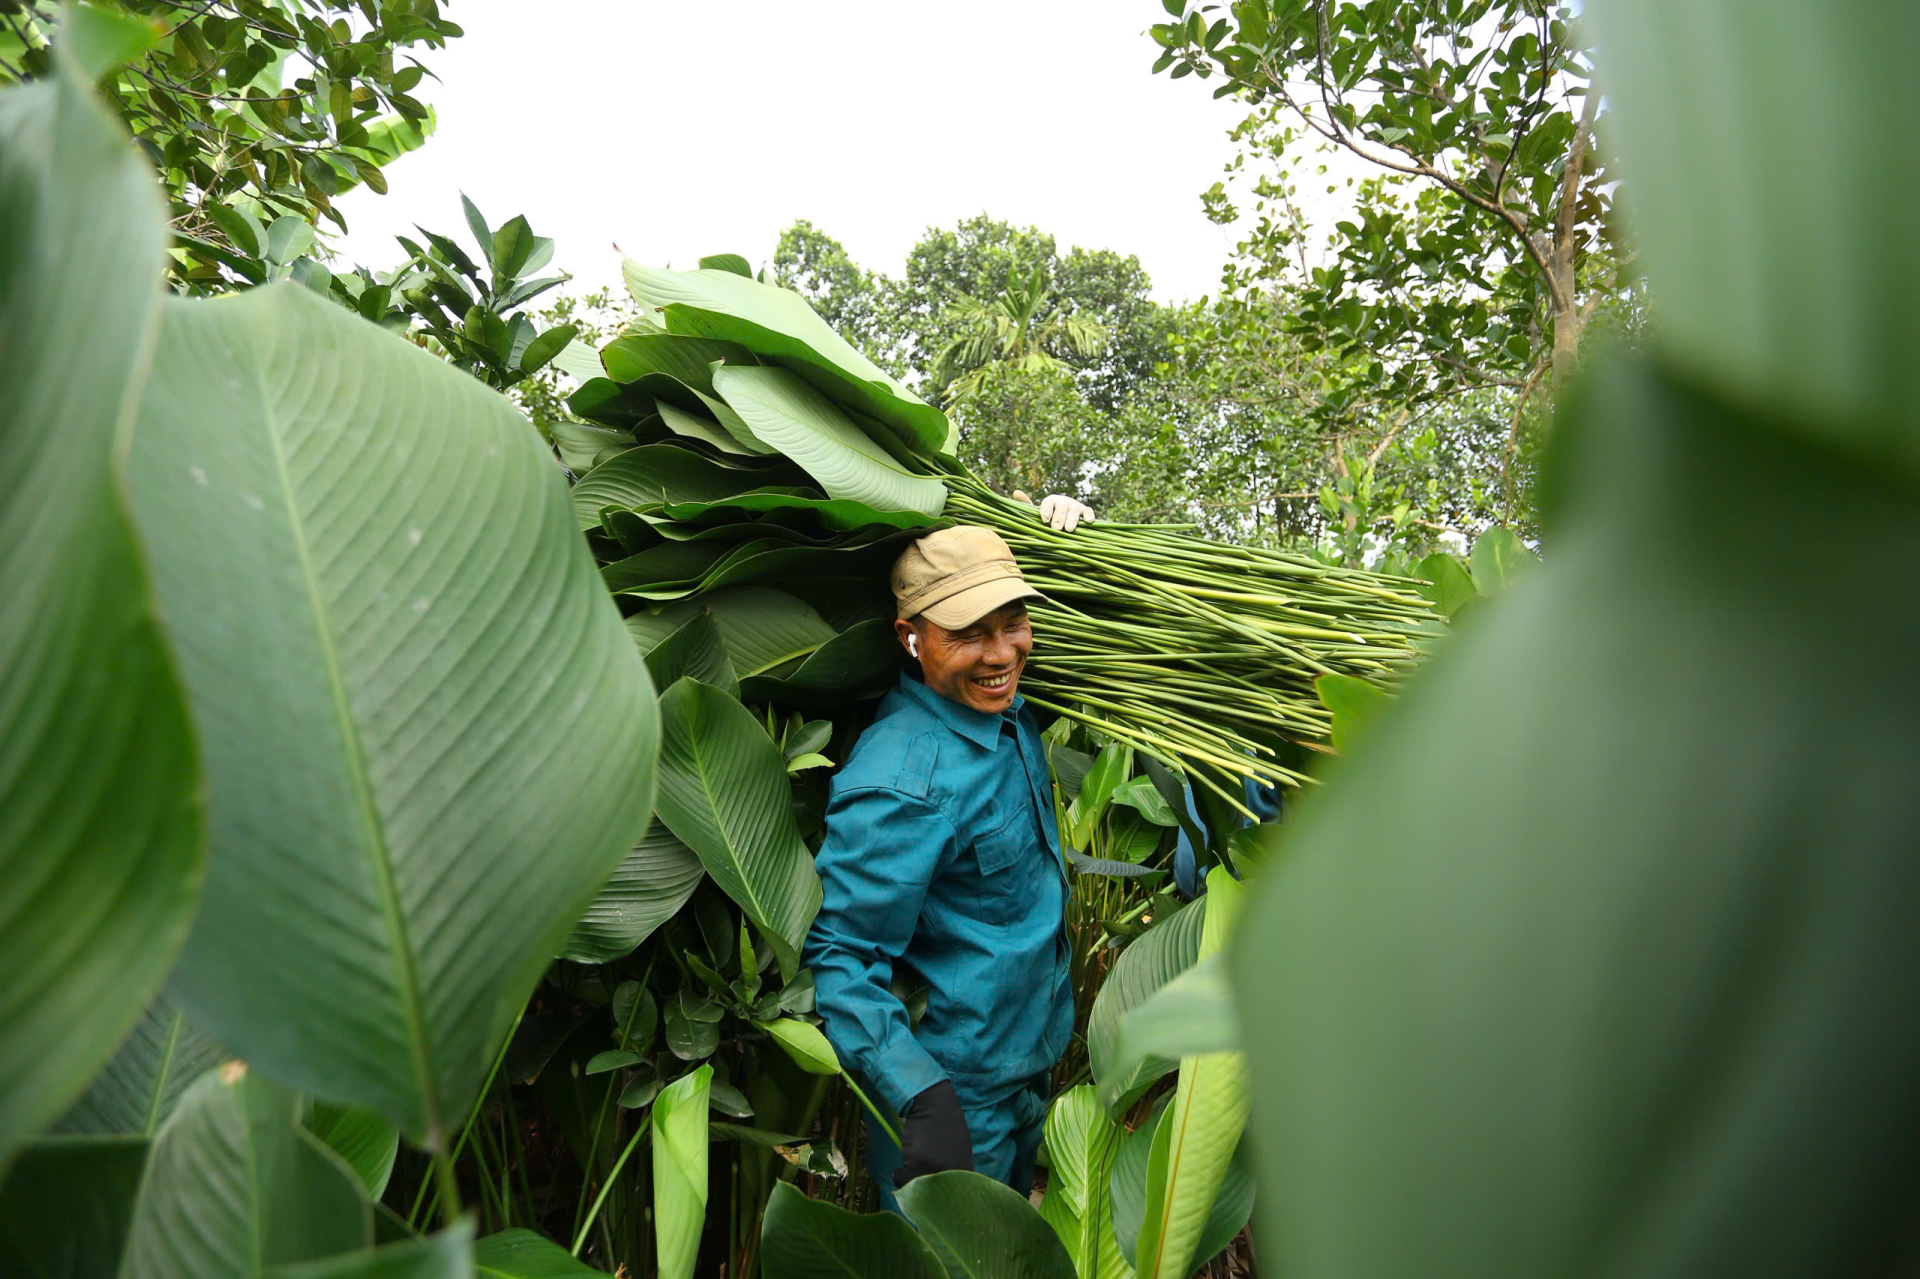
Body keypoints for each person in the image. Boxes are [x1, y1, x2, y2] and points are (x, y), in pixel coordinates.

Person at [803, 494, 1095, 1212]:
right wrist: (921, 1095)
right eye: (969, 633)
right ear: (912, 638)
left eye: (1013, 623)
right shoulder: (903, 778)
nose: (1001, 653)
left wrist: (1066, 524)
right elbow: (837, 953)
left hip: (1027, 1077)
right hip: (957, 1105)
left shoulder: (1004, 710)